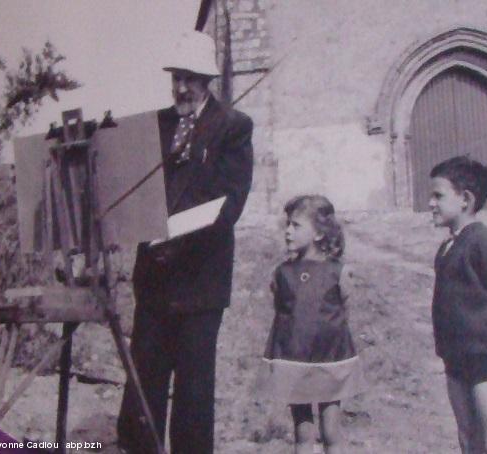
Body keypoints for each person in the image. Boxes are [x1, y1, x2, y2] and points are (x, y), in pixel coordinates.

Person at [117, 31, 253, 454]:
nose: (181, 88)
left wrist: (171, 232)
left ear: (207, 79)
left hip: (200, 281)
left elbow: (229, 204)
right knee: (145, 387)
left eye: (190, 78)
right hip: (154, 281)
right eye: (176, 77)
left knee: (194, 396)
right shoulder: (156, 125)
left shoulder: (233, 127)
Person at [428, 156, 487, 454]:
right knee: (467, 438)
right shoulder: (447, 246)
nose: (431, 203)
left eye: (438, 195)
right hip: (455, 360)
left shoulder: (484, 243)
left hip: (485, 361)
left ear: (466, 199)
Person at [256, 195, 362, 454]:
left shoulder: (337, 271)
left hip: (329, 358)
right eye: (287, 225)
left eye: (296, 225)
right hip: (295, 359)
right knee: (302, 433)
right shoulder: (282, 273)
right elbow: (283, 311)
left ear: (318, 234)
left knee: (331, 432)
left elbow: (345, 309)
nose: (288, 232)